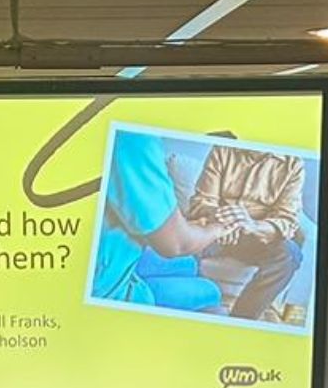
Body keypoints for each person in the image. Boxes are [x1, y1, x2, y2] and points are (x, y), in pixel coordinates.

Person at [90, 128, 231, 308]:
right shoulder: (134, 139)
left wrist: (201, 225)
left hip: (121, 256)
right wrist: (218, 228)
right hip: (109, 288)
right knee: (211, 291)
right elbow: (177, 244)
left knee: (190, 265)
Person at [184, 142, 307, 322]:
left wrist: (251, 226)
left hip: (257, 236)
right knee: (178, 244)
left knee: (290, 254)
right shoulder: (223, 149)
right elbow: (202, 202)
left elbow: (286, 220)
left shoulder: (292, 163)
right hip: (217, 228)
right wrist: (222, 220)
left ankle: (241, 321)